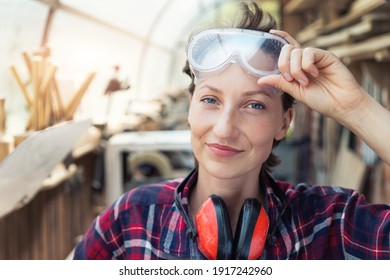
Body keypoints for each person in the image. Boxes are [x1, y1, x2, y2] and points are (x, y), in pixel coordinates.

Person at [73, 1, 390, 260]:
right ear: (190, 107)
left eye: (254, 105)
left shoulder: (326, 223)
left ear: (284, 122)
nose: (224, 129)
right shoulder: (132, 220)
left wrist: (356, 107)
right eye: (210, 99)